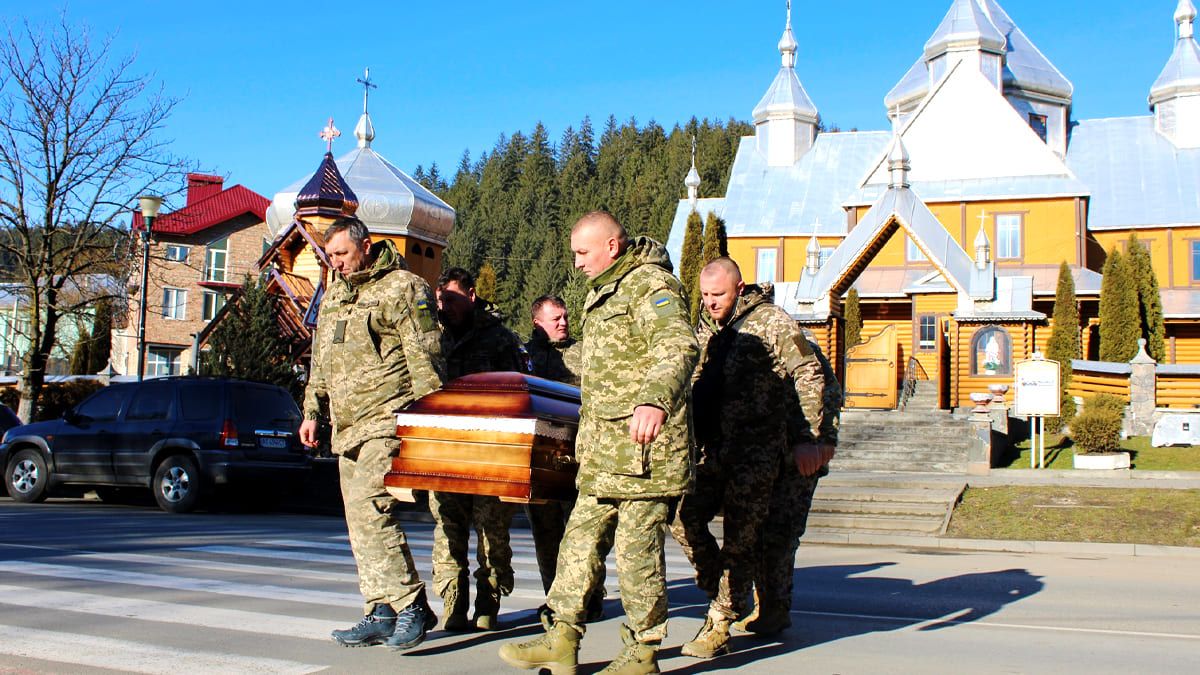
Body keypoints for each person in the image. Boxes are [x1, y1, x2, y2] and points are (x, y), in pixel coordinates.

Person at [499, 211, 699, 675]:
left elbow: (679, 345)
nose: (576, 262)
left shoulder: (651, 285)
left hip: (647, 454)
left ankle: (642, 652)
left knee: (637, 556)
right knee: (577, 546)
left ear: (611, 246)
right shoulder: (603, 290)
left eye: (582, 252)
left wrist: (655, 400)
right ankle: (562, 637)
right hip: (605, 452)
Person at [670, 257, 830, 658]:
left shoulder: (772, 322)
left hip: (759, 451)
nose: (710, 302)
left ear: (739, 289)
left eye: (718, 294)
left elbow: (809, 372)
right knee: (681, 514)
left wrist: (812, 436)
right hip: (715, 449)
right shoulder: (708, 329)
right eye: (705, 295)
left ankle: (721, 622)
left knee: (745, 538)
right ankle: (724, 587)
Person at [300, 217, 444, 650]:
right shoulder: (336, 294)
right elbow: (319, 360)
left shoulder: (403, 287)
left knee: (371, 509)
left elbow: (426, 356)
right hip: (347, 428)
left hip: (389, 418)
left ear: (365, 246)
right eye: (330, 257)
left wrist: (431, 423)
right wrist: (311, 410)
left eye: (342, 254)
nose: (336, 264)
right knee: (357, 521)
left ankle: (412, 604)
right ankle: (381, 609)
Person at [430, 267, 530, 632]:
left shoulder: (500, 339)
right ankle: (453, 601)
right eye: (442, 300)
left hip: (491, 451)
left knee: (492, 532)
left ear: (472, 296)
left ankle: (489, 599)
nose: (446, 307)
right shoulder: (433, 337)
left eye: (453, 299)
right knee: (448, 527)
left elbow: (521, 393)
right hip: (444, 449)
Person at [734, 329, 839, 637]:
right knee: (750, 534)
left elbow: (827, 391)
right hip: (754, 455)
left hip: (795, 458)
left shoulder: (793, 338)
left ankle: (773, 608)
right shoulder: (728, 337)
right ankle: (752, 601)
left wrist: (823, 441)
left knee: (779, 534)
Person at [523, 295, 605, 622]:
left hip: (579, 456)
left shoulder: (583, 352)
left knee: (582, 532)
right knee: (545, 532)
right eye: (555, 318)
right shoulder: (524, 357)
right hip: (539, 458)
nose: (563, 322)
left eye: (565, 316)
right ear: (537, 323)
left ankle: (591, 595)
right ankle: (554, 597)